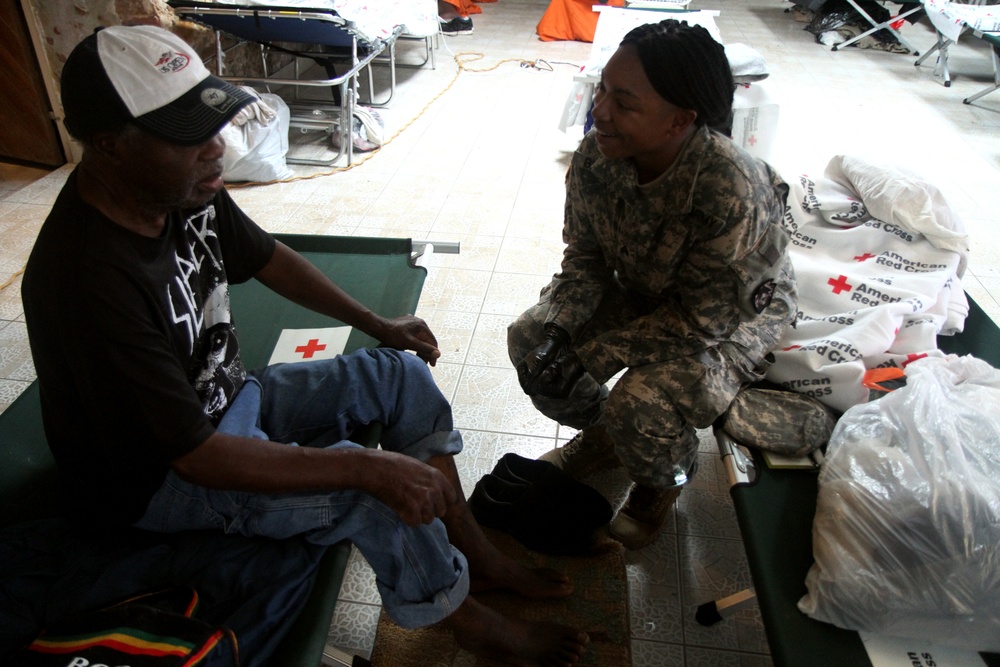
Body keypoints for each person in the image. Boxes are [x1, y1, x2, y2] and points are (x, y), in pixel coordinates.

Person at [21, 25, 589, 666]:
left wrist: (378, 323)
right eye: (188, 135)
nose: (217, 150)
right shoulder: (87, 282)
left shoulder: (177, 189)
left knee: (400, 373)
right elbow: (198, 459)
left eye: (213, 124)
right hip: (156, 484)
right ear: (109, 146)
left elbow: (266, 257)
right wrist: (365, 466)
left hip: (227, 403)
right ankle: (467, 621)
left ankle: (475, 551)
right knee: (367, 492)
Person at [508, 19, 798, 550]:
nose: (600, 111)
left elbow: (701, 322)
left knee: (638, 402)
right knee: (531, 339)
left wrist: (595, 356)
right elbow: (586, 260)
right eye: (601, 91)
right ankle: (605, 440)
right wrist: (560, 330)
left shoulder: (730, 188)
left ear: (679, 121)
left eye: (624, 101)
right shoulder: (598, 156)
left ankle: (661, 481)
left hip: (729, 322)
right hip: (644, 288)